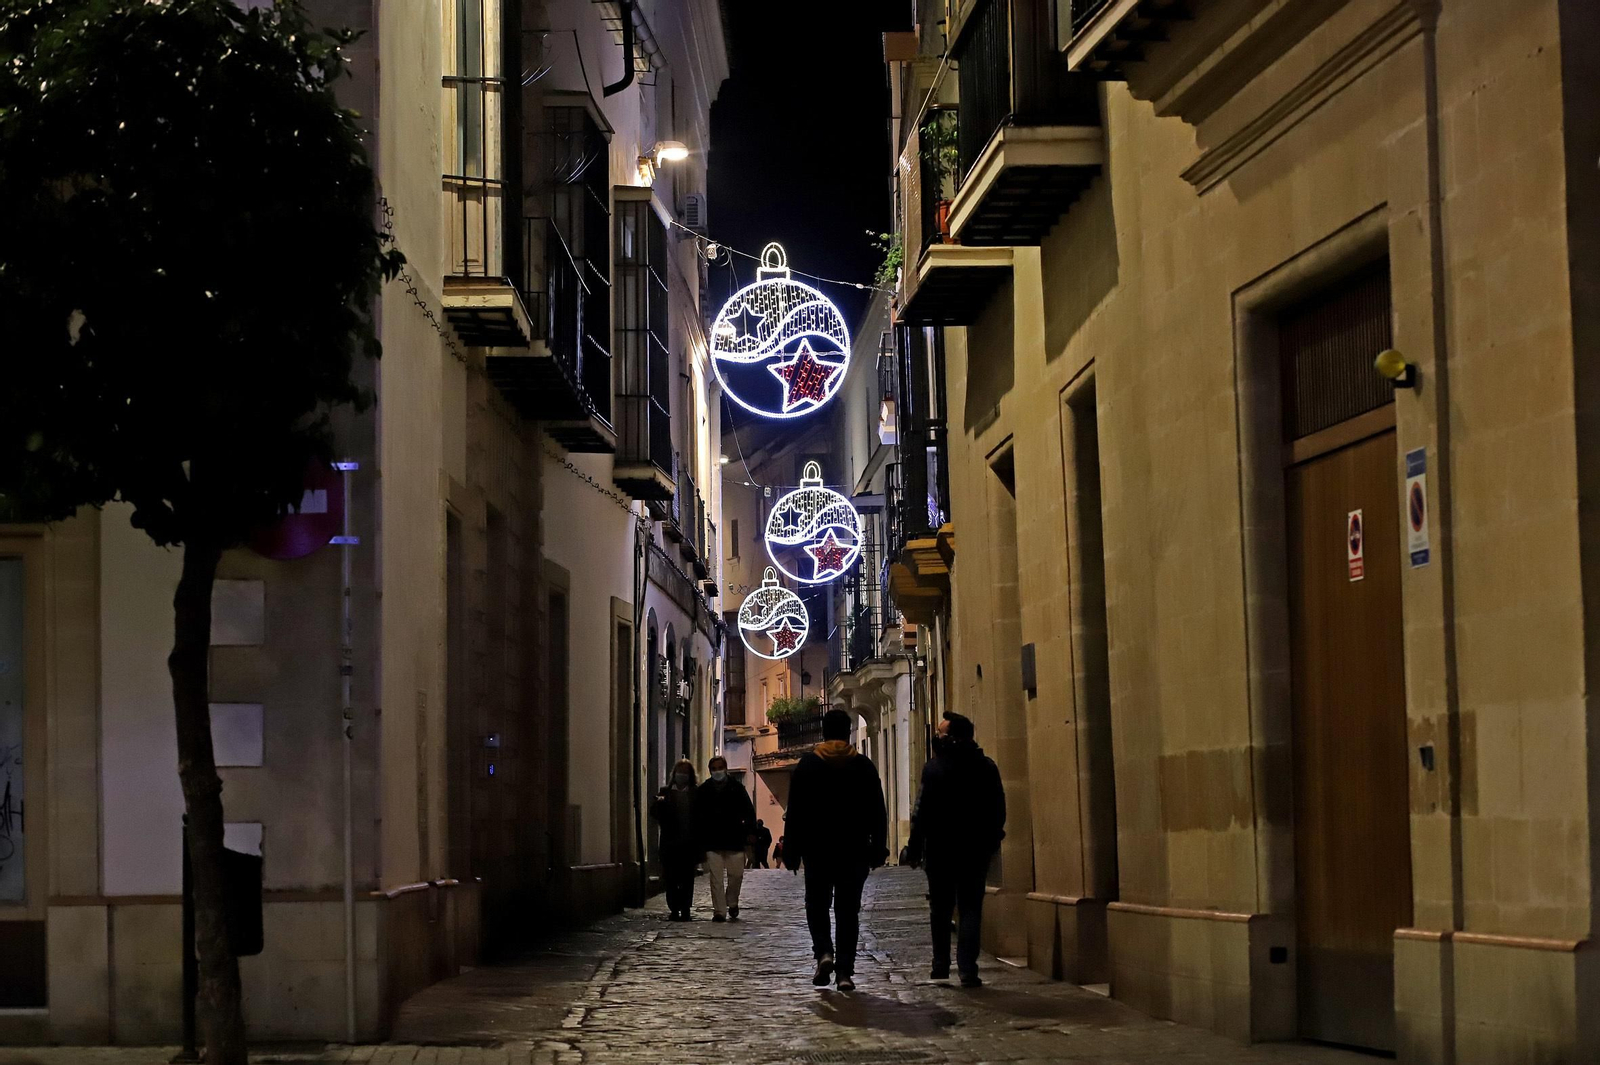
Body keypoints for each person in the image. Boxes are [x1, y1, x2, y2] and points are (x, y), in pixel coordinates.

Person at [784, 708, 888, 993]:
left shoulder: (808, 766)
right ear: (848, 731)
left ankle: (823, 953)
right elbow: (877, 811)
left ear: (824, 732)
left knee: (816, 905)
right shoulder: (863, 766)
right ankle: (844, 971)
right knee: (848, 911)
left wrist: (791, 850)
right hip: (854, 851)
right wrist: (879, 846)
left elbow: (796, 813)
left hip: (817, 850)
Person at [904, 711, 1006, 988]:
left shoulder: (934, 769)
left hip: (941, 850)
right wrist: (993, 837)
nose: (936, 737)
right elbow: (998, 807)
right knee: (971, 907)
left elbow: (921, 811)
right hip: (975, 849)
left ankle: (940, 964)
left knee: (940, 908)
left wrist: (915, 845)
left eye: (941, 734)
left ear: (952, 738)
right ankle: (968, 968)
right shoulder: (986, 767)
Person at [696, 755, 755, 922]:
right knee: (716, 878)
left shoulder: (737, 788)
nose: (717, 771)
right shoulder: (704, 790)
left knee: (736, 875)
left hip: (734, 838)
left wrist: (750, 831)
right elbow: (698, 815)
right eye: (714, 769)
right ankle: (719, 911)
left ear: (726, 768)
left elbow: (748, 810)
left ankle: (732, 901)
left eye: (719, 768)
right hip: (712, 840)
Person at [651, 759, 702, 921]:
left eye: (685, 772)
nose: (682, 775)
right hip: (670, 844)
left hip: (689, 844)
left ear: (690, 775)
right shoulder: (665, 792)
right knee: (671, 879)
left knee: (687, 879)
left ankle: (686, 908)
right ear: (675, 774)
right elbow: (655, 814)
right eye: (680, 771)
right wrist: (659, 804)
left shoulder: (695, 793)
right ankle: (674, 908)